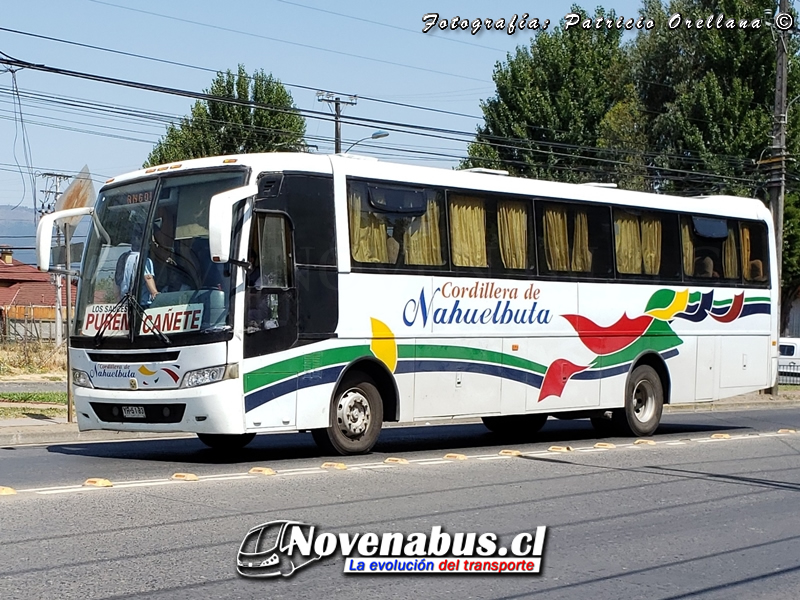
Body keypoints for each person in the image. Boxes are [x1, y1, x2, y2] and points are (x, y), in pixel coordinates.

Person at [115, 224, 159, 306]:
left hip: (126, 304)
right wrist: (155, 293)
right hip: (142, 305)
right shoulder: (144, 260)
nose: (152, 242)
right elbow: (148, 278)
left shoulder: (123, 258)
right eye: (150, 239)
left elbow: (117, 284)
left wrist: (119, 301)